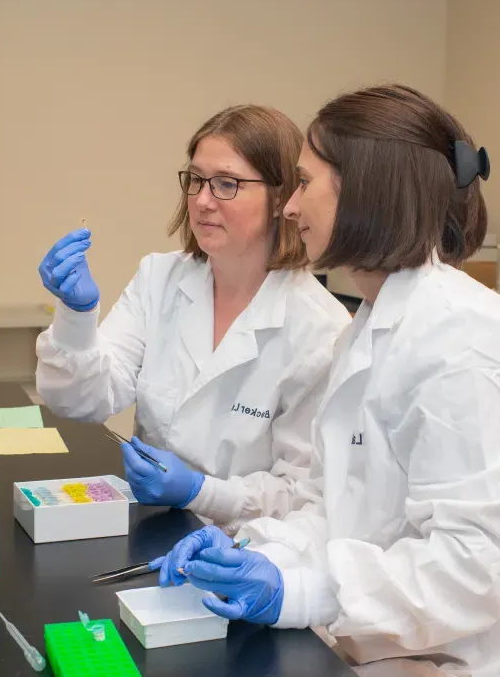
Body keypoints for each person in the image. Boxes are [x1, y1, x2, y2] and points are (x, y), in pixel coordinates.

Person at [154, 85, 500, 677]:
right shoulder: (365, 329)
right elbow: (331, 504)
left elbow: (472, 569)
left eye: (305, 184)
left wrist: (298, 592)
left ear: (368, 193)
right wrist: (252, 548)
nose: (289, 208)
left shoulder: (470, 341)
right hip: (399, 645)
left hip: (490, 658)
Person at [35, 105, 351, 531]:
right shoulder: (161, 278)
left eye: (227, 184)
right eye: (197, 180)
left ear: (281, 199)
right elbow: (82, 400)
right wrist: (76, 316)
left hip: (241, 552)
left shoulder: (320, 328)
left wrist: (200, 491)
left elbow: (299, 492)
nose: (202, 201)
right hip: (149, 528)